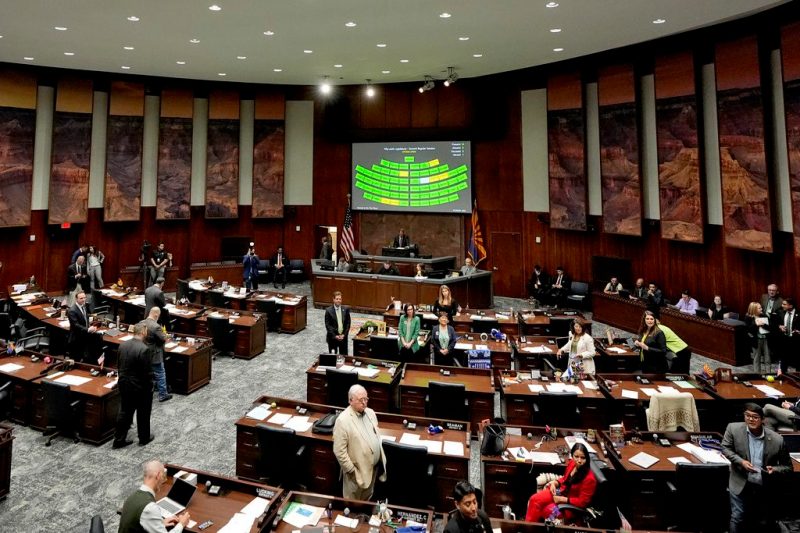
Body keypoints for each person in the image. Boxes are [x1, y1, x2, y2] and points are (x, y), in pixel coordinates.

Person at [721, 403, 791, 533]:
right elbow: (725, 448)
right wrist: (741, 462)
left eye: (755, 417)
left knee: (762, 521)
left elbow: (787, 467)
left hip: (763, 485)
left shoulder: (777, 440)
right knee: (737, 517)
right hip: (740, 481)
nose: (751, 419)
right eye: (747, 416)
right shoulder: (733, 429)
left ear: (763, 419)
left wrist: (774, 470)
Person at [332, 384, 386, 500]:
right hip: (357, 475)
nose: (365, 403)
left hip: (372, 470)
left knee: (367, 502)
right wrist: (352, 471)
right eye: (361, 400)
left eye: (366, 399)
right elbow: (339, 451)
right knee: (353, 506)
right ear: (351, 401)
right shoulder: (343, 420)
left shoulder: (370, 413)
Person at [526, 442, 597, 523]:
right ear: (572, 456)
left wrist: (563, 499)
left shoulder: (590, 479)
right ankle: (528, 527)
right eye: (576, 457)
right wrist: (555, 483)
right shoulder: (572, 463)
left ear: (587, 458)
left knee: (547, 510)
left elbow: (582, 502)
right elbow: (565, 479)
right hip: (560, 492)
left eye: (583, 458)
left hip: (569, 504)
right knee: (534, 499)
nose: (579, 461)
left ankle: (535, 526)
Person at [118, 459, 190, 533]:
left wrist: (160, 523)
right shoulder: (149, 507)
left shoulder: (132, 497)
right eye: (163, 476)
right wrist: (181, 524)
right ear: (158, 475)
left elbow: (141, 521)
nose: (163, 480)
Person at [113, 322, 154, 448]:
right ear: (143, 333)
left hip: (124, 384)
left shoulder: (123, 345)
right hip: (140, 387)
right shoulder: (144, 349)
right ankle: (143, 438)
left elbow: (119, 365)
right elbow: (147, 373)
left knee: (124, 412)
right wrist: (150, 387)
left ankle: (118, 440)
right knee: (143, 412)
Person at [141, 307, 171, 403]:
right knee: (160, 374)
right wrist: (165, 337)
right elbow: (162, 339)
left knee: (144, 374)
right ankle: (163, 395)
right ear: (156, 315)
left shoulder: (141, 323)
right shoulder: (156, 326)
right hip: (155, 354)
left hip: (143, 354)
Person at [67, 290, 98, 362]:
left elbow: (85, 318)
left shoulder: (84, 306)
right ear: (76, 299)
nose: (83, 300)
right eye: (81, 298)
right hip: (76, 338)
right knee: (76, 360)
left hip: (84, 336)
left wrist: (90, 325)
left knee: (85, 356)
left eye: (84, 297)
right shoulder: (72, 310)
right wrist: (87, 329)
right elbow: (75, 325)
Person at [744, 302, 771, 373]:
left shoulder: (764, 315)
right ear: (754, 309)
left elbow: (770, 327)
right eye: (759, 308)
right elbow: (748, 329)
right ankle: (757, 375)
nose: (761, 309)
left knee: (767, 358)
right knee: (757, 358)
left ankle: (768, 373)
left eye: (761, 307)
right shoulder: (748, 318)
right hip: (756, 340)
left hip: (765, 339)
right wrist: (756, 324)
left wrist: (763, 325)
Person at [777, 297, 798, 375]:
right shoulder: (780, 312)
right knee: (783, 360)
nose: (782, 306)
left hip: (796, 341)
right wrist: (779, 326)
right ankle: (783, 376)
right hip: (784, 340)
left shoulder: (798, 314)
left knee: (797, 361)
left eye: (784, 304)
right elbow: (774, 323)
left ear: (791, 306)